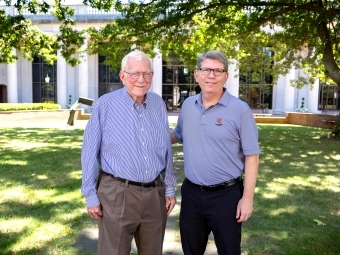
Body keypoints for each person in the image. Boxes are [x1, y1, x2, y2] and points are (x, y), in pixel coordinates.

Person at [81, 50, 177, 255]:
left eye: (147, 74)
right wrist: (90, 194)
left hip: (154, 194)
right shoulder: (105, 105)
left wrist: (169, 187)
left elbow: (166, 148)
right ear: (123, 76)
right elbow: (89, 150)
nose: (141, 79)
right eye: (134, 74)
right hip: (117, 193)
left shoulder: (158, 104)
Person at [170, 50, 260, 255]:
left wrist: (247, 199)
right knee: (191, 250)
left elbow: (252, 156)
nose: (211, 75)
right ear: (196, 74)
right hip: (192, 193)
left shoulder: (240, 110)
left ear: (226, 76)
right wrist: (148, 141)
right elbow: (178, 133)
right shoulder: (187, 106)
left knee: (229, 250)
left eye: (218, 71)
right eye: (206, 70)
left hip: (227, 196)